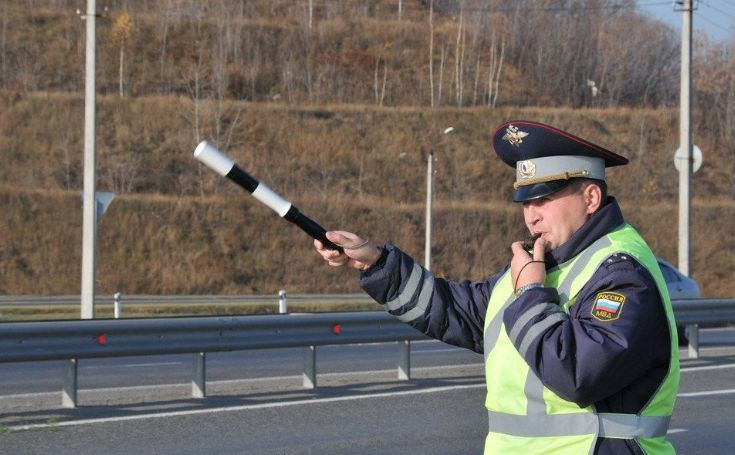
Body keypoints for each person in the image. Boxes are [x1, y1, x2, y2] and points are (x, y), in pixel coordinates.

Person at [313, 120, 680, 455]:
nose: (531, 214)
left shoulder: (620, 271)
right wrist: (377, 262)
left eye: (544, 199)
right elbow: (457, 312)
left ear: (590, 198)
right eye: (525, 201)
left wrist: (531, 296)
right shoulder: (541, 267)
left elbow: (578, 374)